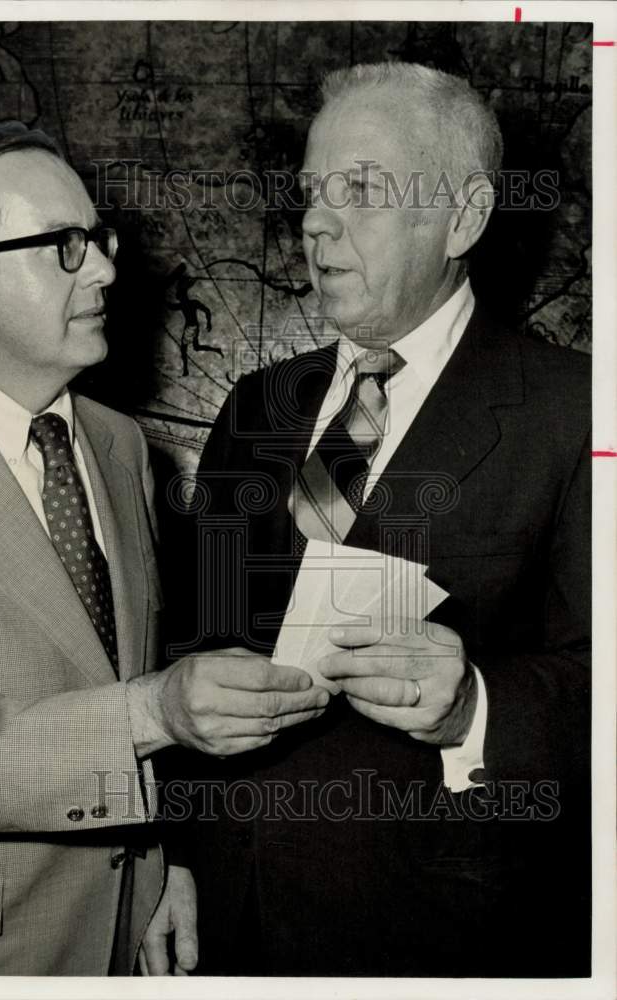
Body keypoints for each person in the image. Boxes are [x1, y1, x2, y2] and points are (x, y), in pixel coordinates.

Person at [0, 122, 330, 976]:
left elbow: (120, 661)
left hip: (123, 927)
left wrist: (162, 859)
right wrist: (153, 713)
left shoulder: (117, 444)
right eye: (62, 246)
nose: (104, 268)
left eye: (96, 238)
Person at [165, 62, 591, 977]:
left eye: (359, 189)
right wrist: (173, 859)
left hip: (442, 937)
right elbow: (189, 638)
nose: (317, 221)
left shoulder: (577, 413)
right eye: (314, 193)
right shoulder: (257, 405)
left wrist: (476, 702)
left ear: (464, 217)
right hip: (229, 923)